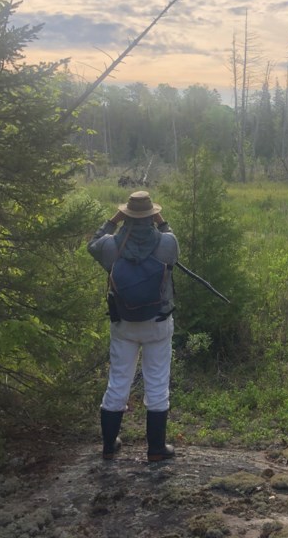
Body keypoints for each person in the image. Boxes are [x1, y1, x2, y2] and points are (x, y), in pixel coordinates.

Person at [87, 190, 178, 462]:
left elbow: (92, 244)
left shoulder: (111, 246)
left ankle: (108, 445)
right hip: (158, 323)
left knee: (118, 381)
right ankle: (156, 449)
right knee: (157, 382)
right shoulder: (166, 243)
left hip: (123, 324)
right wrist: (161, 221)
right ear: (152, 215)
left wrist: (113, 220)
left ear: (126, 214)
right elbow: (170, 239)